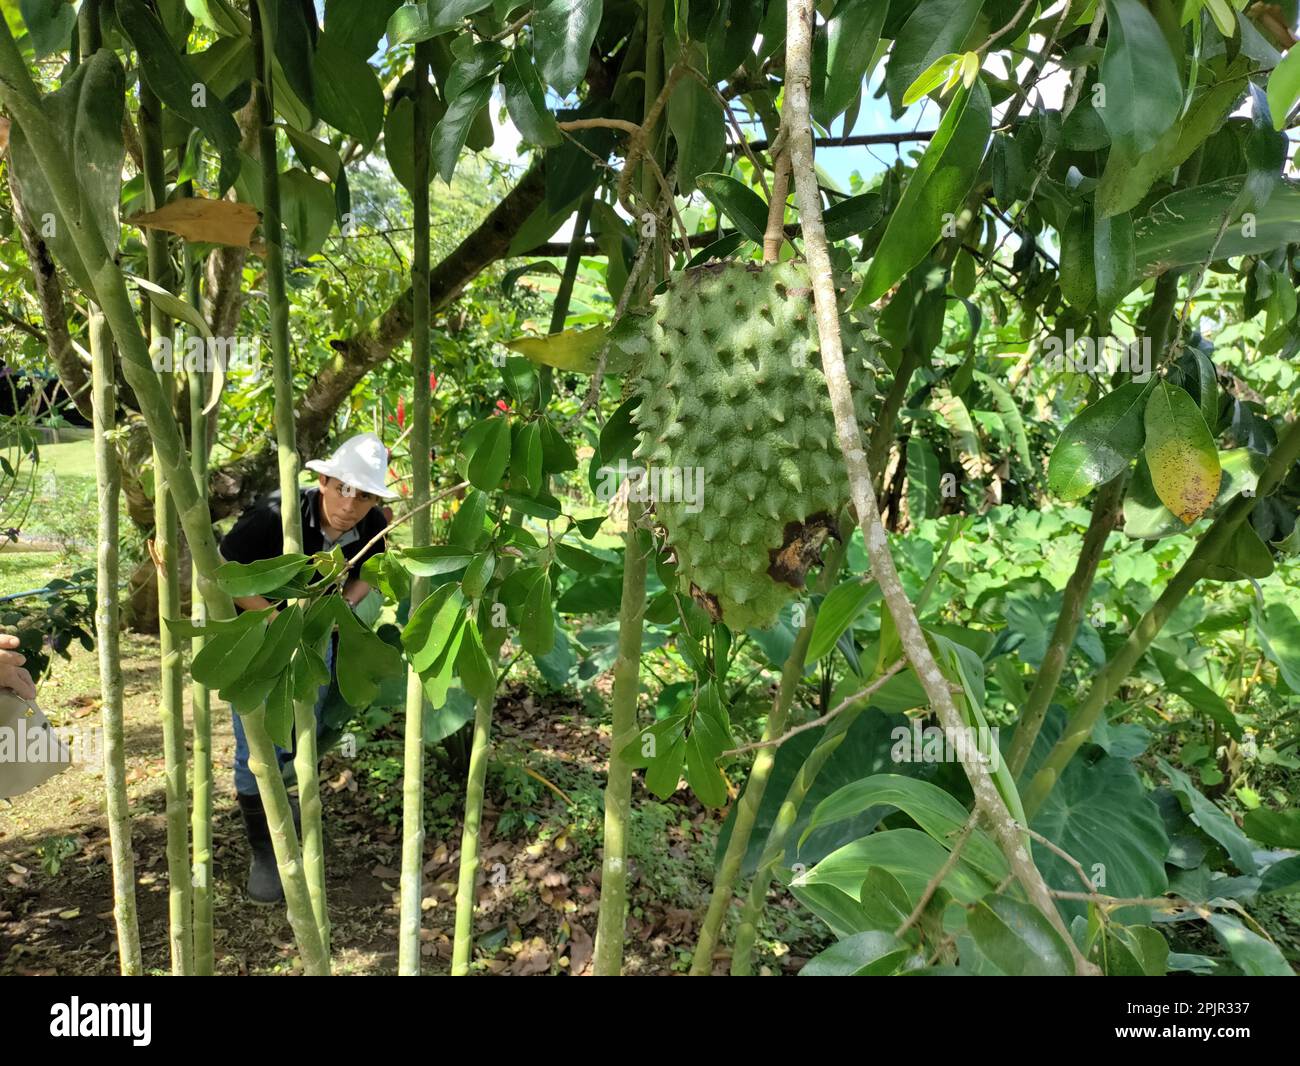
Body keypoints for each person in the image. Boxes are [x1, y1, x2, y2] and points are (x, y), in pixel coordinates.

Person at [220, 432, 396, 903]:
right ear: (323, 480)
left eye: (364, 495)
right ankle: (264, 851)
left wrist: (341, 608)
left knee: (302, 728)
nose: (350, 503)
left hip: (318, 641)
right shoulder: (276, 514)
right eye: (343, 488)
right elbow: (223, 569)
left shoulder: (374, 523)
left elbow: (369, 573)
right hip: (258, 639)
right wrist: (278, 619)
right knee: (252, 742)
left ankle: (290, 817)